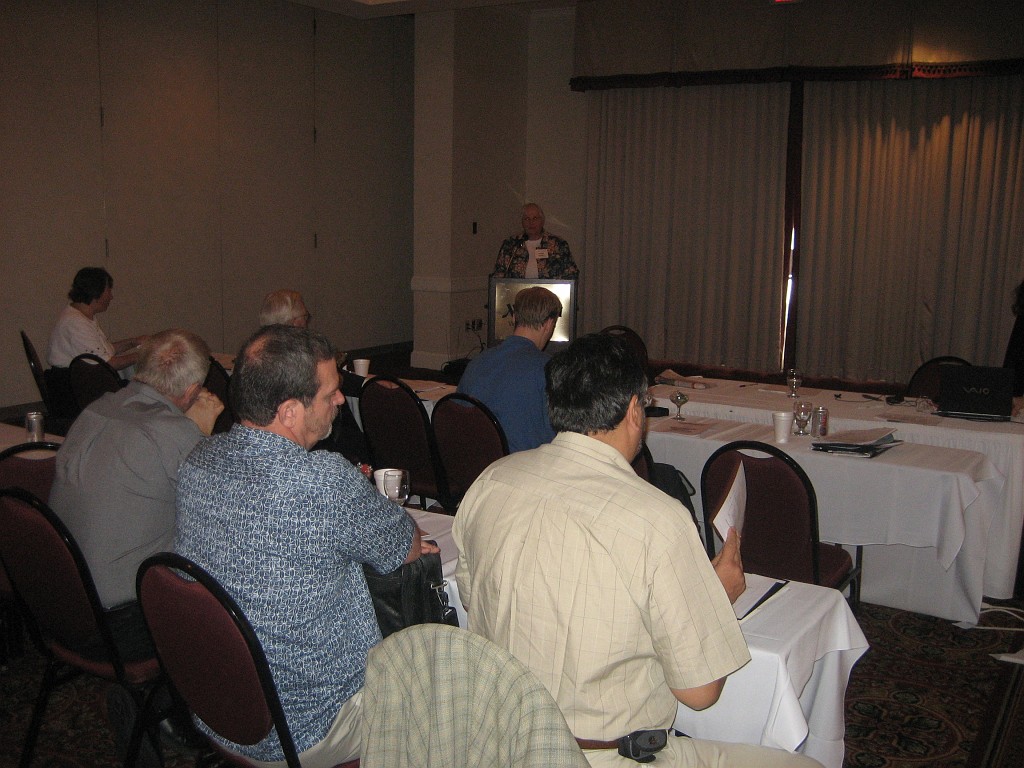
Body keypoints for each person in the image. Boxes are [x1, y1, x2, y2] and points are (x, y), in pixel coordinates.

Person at [453, 333, 821, 768]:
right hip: (602, 756)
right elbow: (700, 693)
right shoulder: (657, 519)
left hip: (499, 742)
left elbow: (473, 602)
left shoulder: (492, 481)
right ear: (633, 410)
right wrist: (716, 596)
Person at [175, 324, 436, 767]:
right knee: (453, 690)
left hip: (220, 711)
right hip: (309, 728)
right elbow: (405, 546)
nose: (341, 400)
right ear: (290, 412)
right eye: (331, 393)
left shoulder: (199, 460)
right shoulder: (323, 480)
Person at [49, 329, 223, 619]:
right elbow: (220, 516)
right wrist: (199, 434)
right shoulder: (174, 434)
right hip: (121, 615)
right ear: (192, 391)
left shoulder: (96, 409)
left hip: (59, 595)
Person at [457, 286, 561, 453]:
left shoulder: (477, 362)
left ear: (514, 317)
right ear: (549, 324)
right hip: (524, 465)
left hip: (474, 461)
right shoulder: (549, 370)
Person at [47, 267, 147, 372]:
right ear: (96, 292)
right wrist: (145, 355)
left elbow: (105, 351)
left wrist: (134, 342)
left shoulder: (81, 316)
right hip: (75, 380)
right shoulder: (75, 323)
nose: (111, 297)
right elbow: (107, 364)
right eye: (108, 291)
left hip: (82, 377)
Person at [492, 202, 579, 279]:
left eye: (535, 218)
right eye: (527, 219)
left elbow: (571, 273)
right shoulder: (511, 244)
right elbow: (499, 274)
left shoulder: (558, 244)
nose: (531, 222)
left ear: (542, 221)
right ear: (522, 222)